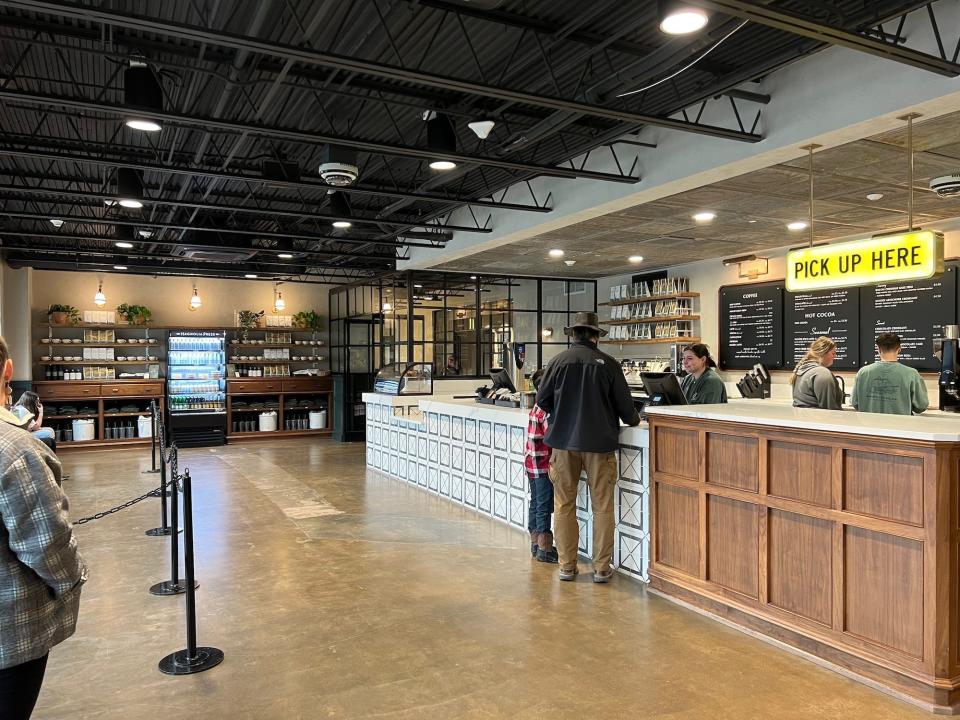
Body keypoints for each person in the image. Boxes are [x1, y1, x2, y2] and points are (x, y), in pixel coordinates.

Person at [0, 336, 87, 720]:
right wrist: (72, 581)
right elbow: (48, 543)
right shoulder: (15, 451)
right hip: (10, 634)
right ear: (7, 371)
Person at [536, 311, 641, 584]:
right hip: (599, 443)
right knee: (603, 506)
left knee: (563, 505)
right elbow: (627, 411)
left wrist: (562, 414)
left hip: (562, 443)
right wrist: (634, 419)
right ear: (596, 336)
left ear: (573, 335)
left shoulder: (557, 362)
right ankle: (601, 568)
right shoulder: (608, 364)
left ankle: (567, 567)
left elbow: (542, 400)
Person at [851, 332, 928, 415]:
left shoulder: (863, 372)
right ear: (899, 349)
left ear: (878, 349)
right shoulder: (912, 374)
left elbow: (855, 402)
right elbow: (921, 406)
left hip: (869, 426)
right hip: (900, 426)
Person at [525, 368, 556, 564]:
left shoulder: (537, 407)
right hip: (543, 465)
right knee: (544, 506)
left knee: (536, 504)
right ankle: (545, 548)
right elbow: (552, 437)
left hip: (532, 464)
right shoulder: (547, 411)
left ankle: (535, 543)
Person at [792, 336, 844, 410]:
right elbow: (830, 411)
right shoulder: (822, 374)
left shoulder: (802, 370)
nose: (835, 356)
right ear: (823, 353)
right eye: (833, 353)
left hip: (803, 420)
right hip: (818, 420)